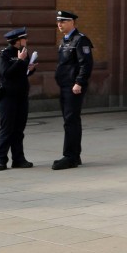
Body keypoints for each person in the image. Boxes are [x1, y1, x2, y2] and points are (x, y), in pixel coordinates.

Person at [53, 10, 93, 170]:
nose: (59, 24)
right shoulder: (64, 41)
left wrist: (79, 82)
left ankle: (69, 156)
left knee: (71, 121)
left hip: (73, 86)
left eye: (63, 21)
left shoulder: (80, 40)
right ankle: (75, 155)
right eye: (58, 21)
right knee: (71, 121)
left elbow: (86, 64)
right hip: (64, 85)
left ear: (72, 23)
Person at [0, 27, 35, 171]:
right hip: (8, 97)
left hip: (21, 96)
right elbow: (6, 74)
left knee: (19, 130)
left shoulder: (25, 53)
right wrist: (19, 61)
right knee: (7, 129)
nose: (26, 40)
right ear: (17, 41)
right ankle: (1, 160)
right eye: (24, 38)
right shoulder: (4, 55)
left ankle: (18, 159)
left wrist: (30, 68)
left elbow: (23, 73)